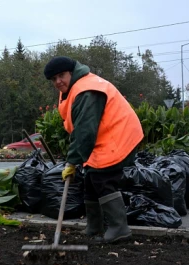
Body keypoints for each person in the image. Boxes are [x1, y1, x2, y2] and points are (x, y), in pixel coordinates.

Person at [43, 56, 143, 243]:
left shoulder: (86, 91)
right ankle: (95, 226)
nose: (58, 81)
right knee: (90, 178)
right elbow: (78, 127)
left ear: (71, 72)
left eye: (61, 76)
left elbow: (85, 132)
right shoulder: (73, 89)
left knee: (102, 179)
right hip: (104, 137)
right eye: (53, 79)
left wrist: (72, 161)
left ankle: (119, 229)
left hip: (117, 136)